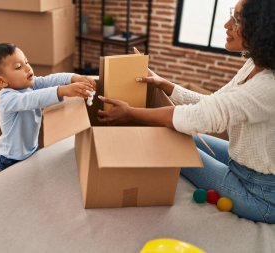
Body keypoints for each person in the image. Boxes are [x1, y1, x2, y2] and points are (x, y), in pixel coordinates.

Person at [98, 0, 275, 223]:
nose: (226, 25)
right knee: (172, 134)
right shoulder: (255, 64)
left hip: (260, 195)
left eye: (238, 19)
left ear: (263, 29)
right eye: (232, 15)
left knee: (164, 139)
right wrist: (165, 85)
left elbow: (196, 118)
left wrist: (131, 113)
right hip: (240, 162)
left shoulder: (268, 86)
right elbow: (211, 103)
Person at [0, 43, 96, 172]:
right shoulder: (7, 99)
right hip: (11, 158)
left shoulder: (29, 84)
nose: (27, 68)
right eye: (18, 67)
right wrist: (62, 90)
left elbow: (50, 80)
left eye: (26, 62)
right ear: (1, 81)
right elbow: (33, 99)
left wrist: (73, 77)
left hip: (31, 149)